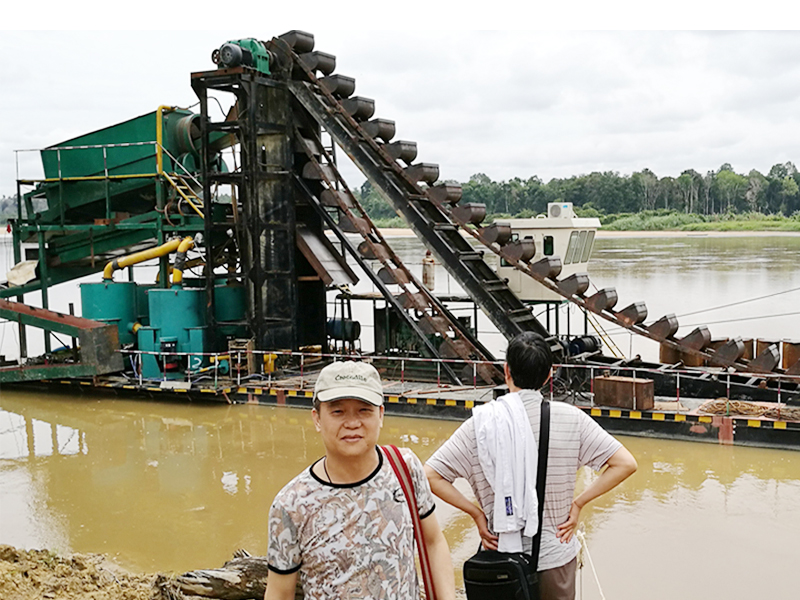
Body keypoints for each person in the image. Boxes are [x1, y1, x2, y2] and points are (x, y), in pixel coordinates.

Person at [425, 332, 637, 600]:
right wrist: (579, 503)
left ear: (507, 371)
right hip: (555, 556)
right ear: (550, 374)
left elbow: (429, 475)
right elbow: (625, 463)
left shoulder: (481, 426)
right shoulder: (573, 420)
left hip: (499, 560)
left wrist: (477, 514)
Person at [265, 360, 456, 600]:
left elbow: (433, 542)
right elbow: (280, 593)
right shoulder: (291, 504)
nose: (352, 423)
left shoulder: (405, 468)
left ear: (381, 415)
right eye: (338, 411)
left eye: (364, 410)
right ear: (317, 419)